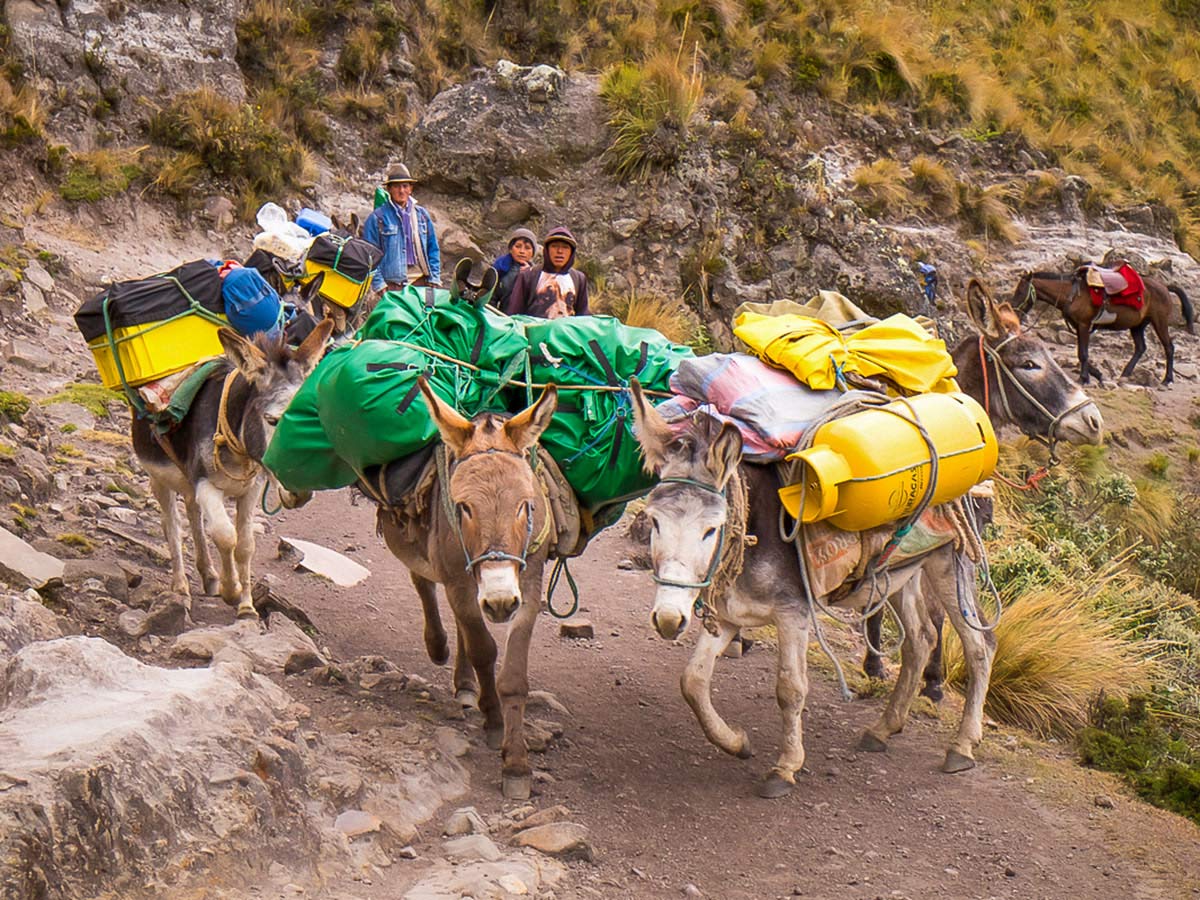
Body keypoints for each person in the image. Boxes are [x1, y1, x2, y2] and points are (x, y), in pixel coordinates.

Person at [362, 163, 441, 293]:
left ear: (410, 189)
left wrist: (435, 278)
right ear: (389, 189)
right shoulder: (377, 218)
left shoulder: (422, 215)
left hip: (422, 282)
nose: (401, 191)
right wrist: (380, 285)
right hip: (393, 287)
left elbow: (433, 248)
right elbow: (369, 256)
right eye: (397, 186)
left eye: (405, 186)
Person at [502, 226, 590, 318]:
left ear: (571, 252)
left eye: (565, 247)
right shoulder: (528, 276)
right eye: (554, 246)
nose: (559, 251)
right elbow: (515, 313)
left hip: (567, 332)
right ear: (546, 250)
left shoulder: (579, 278)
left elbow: (583, 316)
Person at [491, 228, 537, 310]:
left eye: (527, 248)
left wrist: (528, 275)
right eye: (518, 246)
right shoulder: (500, 267)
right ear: (511, 249)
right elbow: (491, 297)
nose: (522, 251)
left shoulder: (537, 274)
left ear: (533, 253)